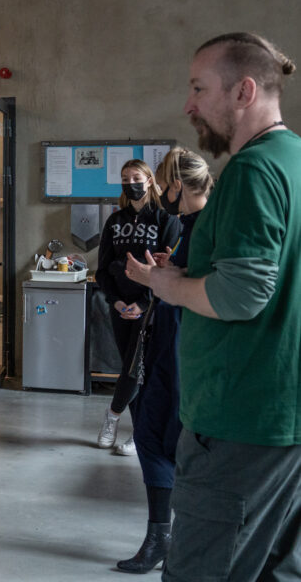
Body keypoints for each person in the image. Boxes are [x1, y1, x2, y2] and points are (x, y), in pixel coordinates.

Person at [139, 33, 300, 582]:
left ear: (243, 91)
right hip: (284, 421)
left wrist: (167, 285)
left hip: (239, 423)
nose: (189, 105)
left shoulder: (253, 171)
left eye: (198, 88)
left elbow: (243, 293)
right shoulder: (295, 160)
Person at [113, 148, 213, 573]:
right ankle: (163, 537)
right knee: (154, 432)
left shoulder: (204, 226)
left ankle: (166, 539)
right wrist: (170, 269)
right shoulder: (193, 225)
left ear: (174, 186)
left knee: (159, 435)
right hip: (170, 342)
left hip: (182, 347)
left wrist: (152, 277)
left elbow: (213, 287)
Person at [94, 159, 180, 456]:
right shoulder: (115, 221)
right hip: (120, 308)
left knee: (137, 369)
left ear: (150, 180)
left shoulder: (165, 219)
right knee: (131, 371)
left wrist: (143, 303)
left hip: (151, 307)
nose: (130, 183)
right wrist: (116, 301)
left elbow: (169, 268)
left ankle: (113, 416)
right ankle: (140, 432)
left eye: (136, 177)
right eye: (125, 178)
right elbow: (102, 270)